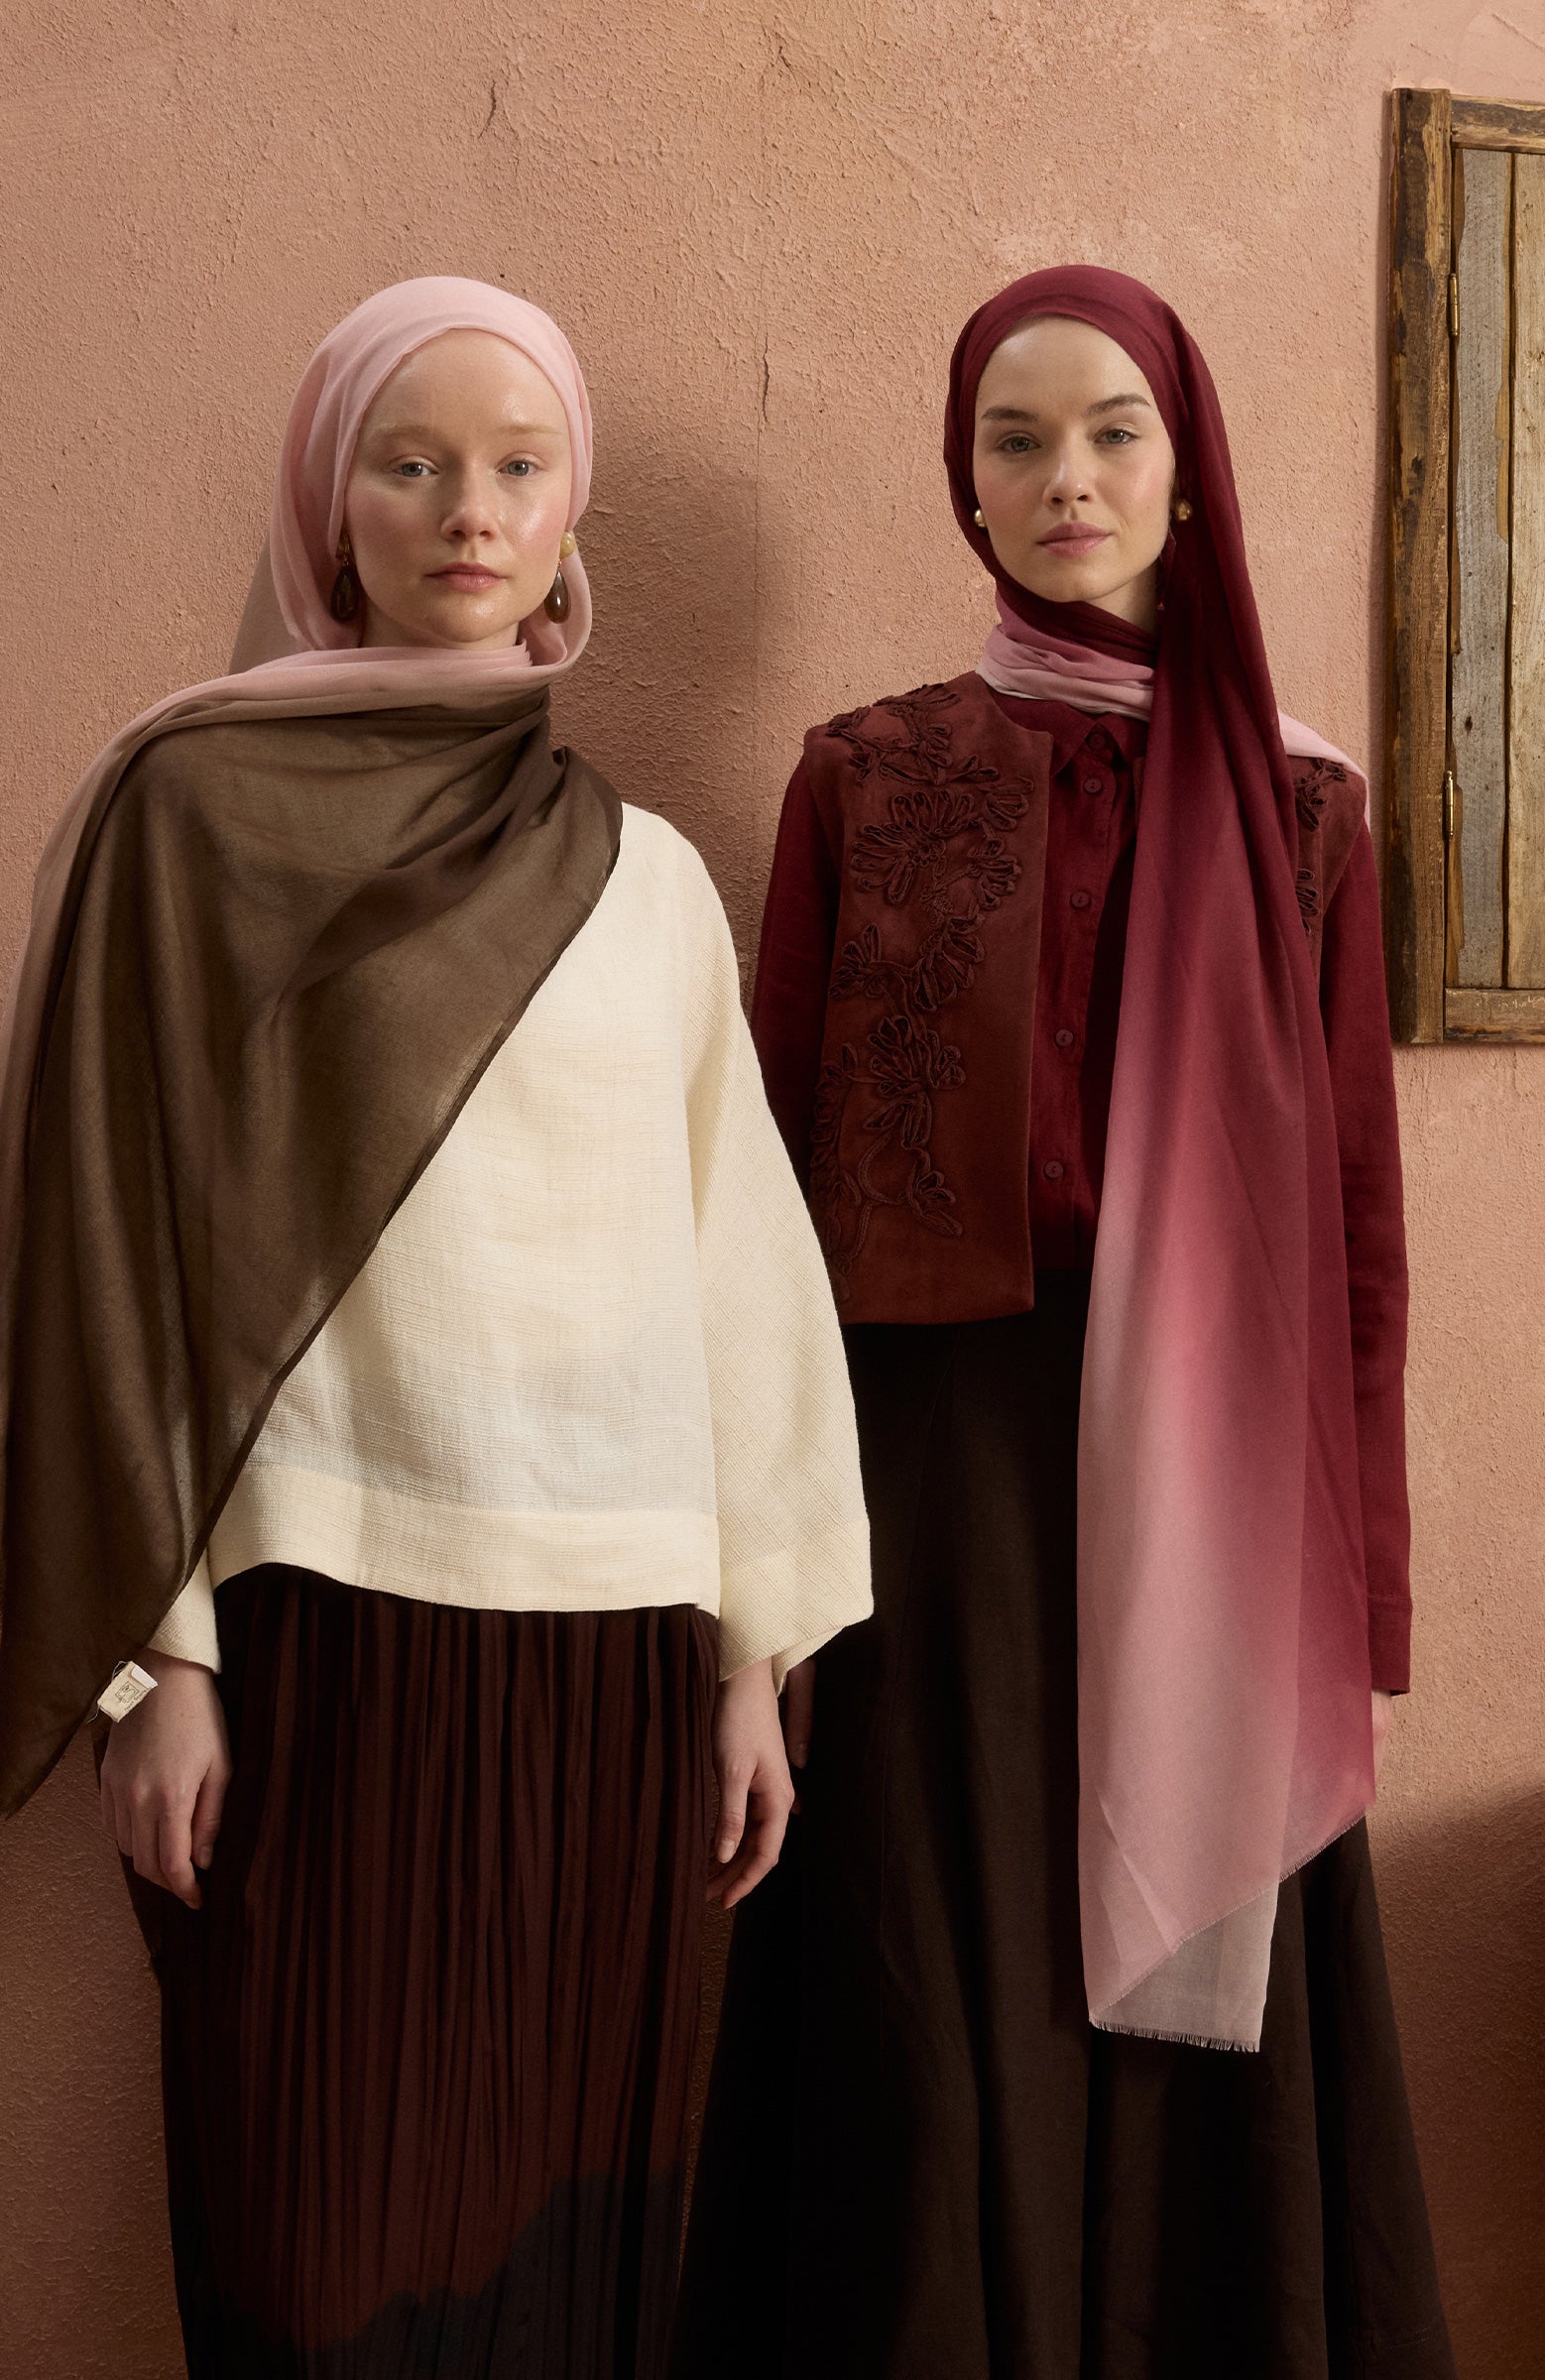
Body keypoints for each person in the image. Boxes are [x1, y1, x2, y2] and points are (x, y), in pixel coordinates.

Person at [0, 277, 870, 2378]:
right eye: (413, 461)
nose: (469, 511)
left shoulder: (644, 876)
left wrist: (752, 1657)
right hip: (317, 1652)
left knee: (568, 2276)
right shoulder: (186, 820)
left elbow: (738, 1275)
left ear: (569, 515)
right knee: (315, 2267)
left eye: (520, 467)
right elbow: (111, 1247)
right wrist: (160, 1659)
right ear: (326, 503)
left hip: (616, 1661)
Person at [675, 267, 1455, 2380]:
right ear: (965, 487)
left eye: (1114, 430)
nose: (1066, 477)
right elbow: (759, 1218)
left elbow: (1355, 1234)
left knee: (1204, 2007)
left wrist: (1360, 1601)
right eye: (1012, 441)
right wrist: (761, 1578)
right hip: (931, 1482)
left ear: (1188, 470)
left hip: (1220, 1476)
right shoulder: (864, 779)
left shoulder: (1302, 807)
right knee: (933, 1996)